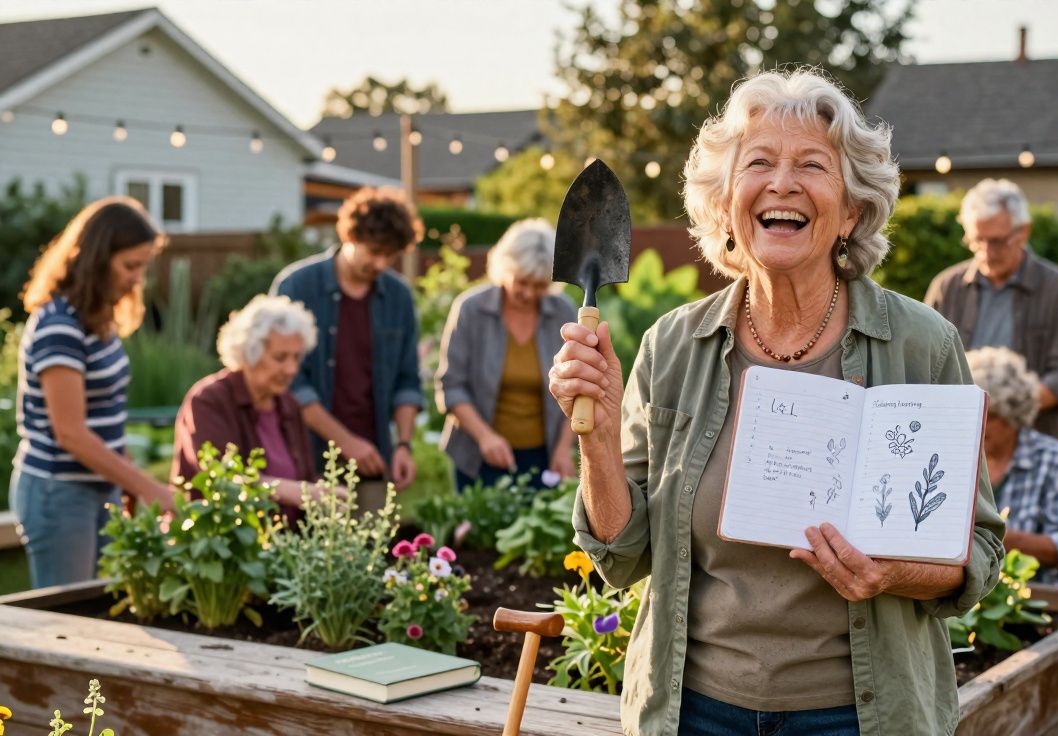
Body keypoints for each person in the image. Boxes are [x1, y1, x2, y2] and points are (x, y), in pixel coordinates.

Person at [549, 69, 1005, 736]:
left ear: (851, 209)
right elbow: (623, 554)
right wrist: (599, 435)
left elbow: (978, 552)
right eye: (758, 162)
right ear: (726, 203)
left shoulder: (920, 345)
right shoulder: (675, 344)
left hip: (857, 716)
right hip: (693, 711)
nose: (782, 183)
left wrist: (890, 572)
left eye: (811, 165)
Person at [10, 197, 174, 588]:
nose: (138, 279)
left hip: (98, 486)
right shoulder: (59, 326)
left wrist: (126, 478)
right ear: (96, 260)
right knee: (64, 622)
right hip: (59, 492)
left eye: (143, 266)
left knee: (97, 610)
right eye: (130, 266)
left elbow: (107, 414)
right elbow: (70, 433)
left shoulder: (96, 321)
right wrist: (147, 486)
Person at [271, 187, 424, 510]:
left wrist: (404, 445)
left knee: (371, 549)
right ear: (349, 235)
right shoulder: (296, 286)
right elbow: (288, 383)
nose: (381, 263)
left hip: (374, 455)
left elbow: (407, 380)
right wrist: (344, 441)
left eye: (391, 254)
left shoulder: (398, 296)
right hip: (304, 455)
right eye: (374, 251)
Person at [924, 179, 1058, 442]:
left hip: (1033, 443)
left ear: (1023, 232)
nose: (987, 252)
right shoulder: (947, 287)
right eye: (977, 240)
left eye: (998, 242)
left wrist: (1002, 412)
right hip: (956, 438)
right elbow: (923, 366)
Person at [435, 219, 577, 490]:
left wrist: (562, 449)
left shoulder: (563, 312)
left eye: (539, 286)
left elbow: (577, 387)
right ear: (504, 268)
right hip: (479, 454)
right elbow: (451, 386)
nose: (528, 293)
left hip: (544, 457)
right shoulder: (471, 309)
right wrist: (486, 437)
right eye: (521, 282)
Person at [171, 295, 325, 521]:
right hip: (219, 537)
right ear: (248, 354)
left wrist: (325, 495)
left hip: (286, 544)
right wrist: (290, 490)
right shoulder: (209, 400)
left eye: (296, 357)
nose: (292, 369)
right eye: (280, 357)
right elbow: (220, 479)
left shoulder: (288, 404)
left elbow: (306, 477)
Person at [967, 347, 1058, 585]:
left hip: (1035, 598)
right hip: (965, 598)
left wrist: (992, 538)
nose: (979, 424)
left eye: (991, 416)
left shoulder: (1053, 459)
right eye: (973, 412)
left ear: (1014, 414)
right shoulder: (959, 458)